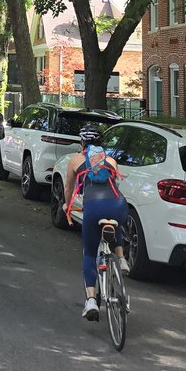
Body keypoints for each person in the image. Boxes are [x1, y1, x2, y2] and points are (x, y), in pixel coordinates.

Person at [63, 125, 129, 321]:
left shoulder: (75, 160)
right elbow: (115, 184)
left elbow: (68, 187)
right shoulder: (111, 160)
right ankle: (121, 258)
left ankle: (91, 300)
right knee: (114, 222)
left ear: (82, 142)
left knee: (90, 253)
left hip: (93, 207)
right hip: (118, 203)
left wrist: (67, 205)